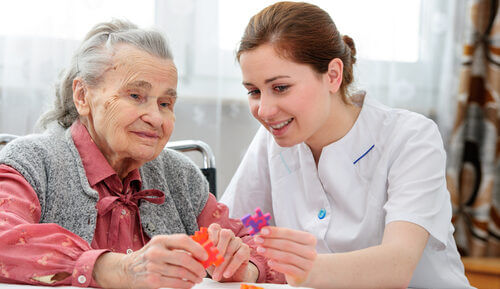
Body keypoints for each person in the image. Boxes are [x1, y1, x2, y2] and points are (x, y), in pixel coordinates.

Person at [0, 19, 277, 288]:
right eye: (135, 96)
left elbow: (256, 244)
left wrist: (242, 266)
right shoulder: (32, 162)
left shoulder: (180, 178)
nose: (156, 118)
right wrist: (117, 269)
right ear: (83, 96)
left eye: (166, 103)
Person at [220, 2, 473, 288]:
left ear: (332, 75)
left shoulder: (411, 137)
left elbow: (397, 266)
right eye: (253, 91)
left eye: (280, 88)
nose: (264, 111)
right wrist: (232, 260)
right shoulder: (272, 140)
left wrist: (304, 270)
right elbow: (233, 230)